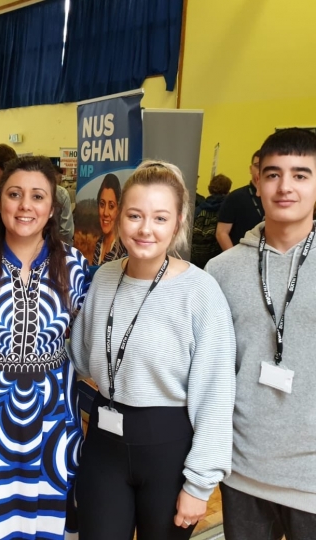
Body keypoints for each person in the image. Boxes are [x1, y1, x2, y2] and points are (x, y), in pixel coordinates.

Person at [205, 128, 316, 540]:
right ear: (257, 181)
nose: (285, 187)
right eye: (273, 174)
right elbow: (215, 369)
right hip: (244, 470)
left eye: (300, 175)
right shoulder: (222, 271)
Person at [70, 160, 236, 540]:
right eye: (135, 215)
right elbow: (79, 354)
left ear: (177, 223)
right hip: (104, 445)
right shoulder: (105, 278)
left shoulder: (200, 291)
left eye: (160, 218)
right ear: (118, 217)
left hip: (168, 449)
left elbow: (215, 395)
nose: (146, 229)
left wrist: (199, 484)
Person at [0, 156, 90, 539]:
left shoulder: (75, 266)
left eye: (37, 196)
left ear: (52, 206)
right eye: (15, 194)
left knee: (48, 517)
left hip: (54, 416)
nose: (26, 205)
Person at [215, 151, 264, 250]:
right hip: (241, 256)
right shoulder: (236, 197)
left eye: (265, 166)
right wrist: (234, 259)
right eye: (257, 165)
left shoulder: (276, 197)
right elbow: (221, 233)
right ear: (251, 169)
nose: (260, 170)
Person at [191, 173, 232, 268]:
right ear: (228, 189)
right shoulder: (227, 208)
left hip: (195, 255)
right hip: (215, 255)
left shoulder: (200, 206)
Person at [92, 173, 127, 265]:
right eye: (102, 205)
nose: (105, 213)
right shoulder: (99, 244)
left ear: (119, 210)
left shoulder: (124, 247)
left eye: (111, 206)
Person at [54, 164, 74, 244]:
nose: (61, 180)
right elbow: (66, 229)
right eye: (60, 177)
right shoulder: (62, 193)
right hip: (58, 243)